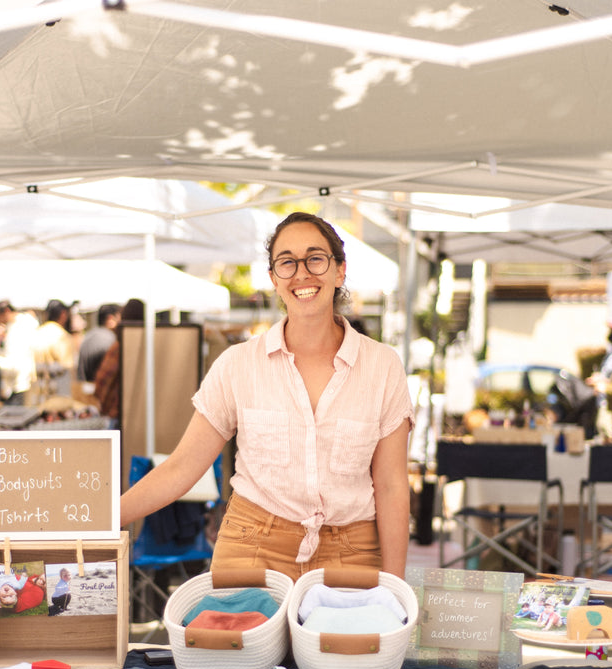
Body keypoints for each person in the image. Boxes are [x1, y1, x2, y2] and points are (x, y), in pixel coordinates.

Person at [118, 212, 413, 580]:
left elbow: (391, 486)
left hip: (350, 549)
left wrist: (394, 588)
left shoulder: (383, 366)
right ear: (274, 279)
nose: (302, 273)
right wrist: (103, 519)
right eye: (287, 262)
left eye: (315, 259)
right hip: (252, 543)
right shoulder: (238, 364)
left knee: (356, 622)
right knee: (225, 622)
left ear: (339, 271)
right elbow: (182, 468)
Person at [93, 298, 145, 425]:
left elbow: (104, 379)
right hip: (146, 415)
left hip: (119, 414)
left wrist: (104, 407)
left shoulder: (120, 346)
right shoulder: (151, 346)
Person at [0, 300, 39, 405]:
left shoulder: (19, 327)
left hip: (20, 381)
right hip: (21, 380)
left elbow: (14, 360)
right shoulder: (19, 324)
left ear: (6, 311)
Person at [31, 298, 76, 402]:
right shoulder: (62, 336)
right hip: (56, 396)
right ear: (63, 314)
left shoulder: (37, 333)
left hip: (37, 394)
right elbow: (67, 369)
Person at [77, 303, 121, 384]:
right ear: (110, 319)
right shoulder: (110, 341)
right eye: (120, 318)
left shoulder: (88, 336)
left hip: (85, 387)